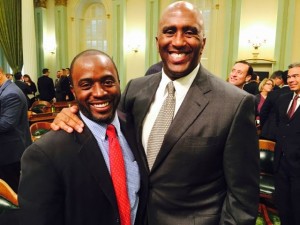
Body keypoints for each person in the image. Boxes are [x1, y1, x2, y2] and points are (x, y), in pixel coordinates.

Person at [51, 2, 259, 225]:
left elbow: (242, 198)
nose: (178, 41)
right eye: (169, 32)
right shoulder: (135, 90)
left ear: (203, 43)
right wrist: (70, 114)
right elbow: (107, 131)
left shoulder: (234, 103)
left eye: (189, 32)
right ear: (157, 42)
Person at [18, 50, 147, 225]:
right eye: (86, 85)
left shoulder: (137, 128)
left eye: (108, 82)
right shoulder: (44, 154)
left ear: (119, 83)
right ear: (73, 91)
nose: (99, 92)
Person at [273, 62, 300, 225]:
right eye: (289, 77)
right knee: (283, 208)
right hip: (281, 165)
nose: (290, 80)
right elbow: (279, 126)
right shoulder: (283, 99)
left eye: (295, 76)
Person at [0, 67, 31, 193]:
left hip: (10, 153)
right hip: (8, 151)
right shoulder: (5, 90)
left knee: (12, 192)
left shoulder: (10, 93)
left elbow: (6, 124)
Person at [259, 70, 292, 141]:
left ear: (282, 80)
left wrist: (265, 126)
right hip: (290, 136)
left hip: (269, 132)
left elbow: (263, 112)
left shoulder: (273, 94)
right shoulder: (294, 94)